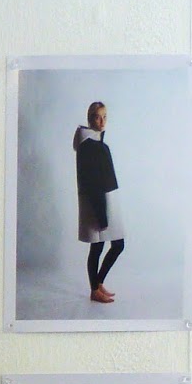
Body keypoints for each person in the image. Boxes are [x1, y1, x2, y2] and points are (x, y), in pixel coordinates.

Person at [73, 102, 125, 304]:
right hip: (98, 202)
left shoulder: (98, 144)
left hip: (107, 199)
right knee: (98, 246)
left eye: (105, 116)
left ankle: (98, 283)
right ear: (90, 119)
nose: (102, 121)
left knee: (114, 244)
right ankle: (94, 290)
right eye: (97, 117)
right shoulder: (89, 146)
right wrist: (101, 213)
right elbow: (92, 183)